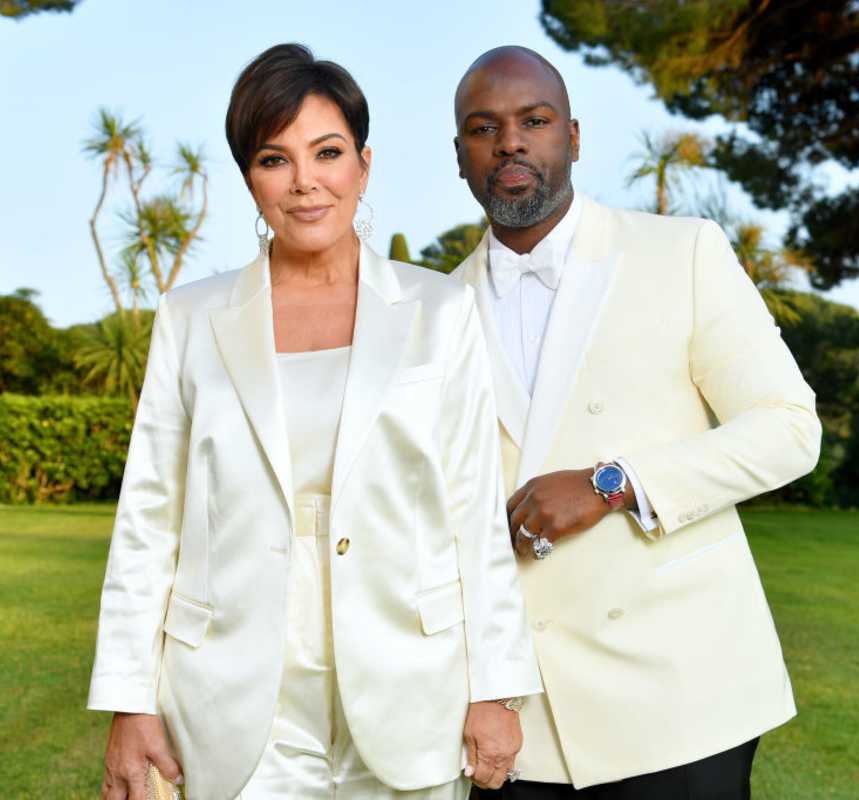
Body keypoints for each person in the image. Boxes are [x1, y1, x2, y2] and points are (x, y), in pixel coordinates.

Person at [87, 43, 542, 800]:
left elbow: (472, 509)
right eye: (275, 159)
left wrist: (495, 686)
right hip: (231, 698)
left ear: (362, 166)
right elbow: (148, 518)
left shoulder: (439, 310)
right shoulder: (191, 317)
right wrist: (130, 700)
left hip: (411, 686)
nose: (305, 182)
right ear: (249, 177)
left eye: (326, 153)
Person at [448, 47, 822, 799]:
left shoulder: (681, 252)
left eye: (535, 120)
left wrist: (613, 483)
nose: (511, 142)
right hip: (523, 718)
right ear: (459, 157)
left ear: (575, 137)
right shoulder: (432, 312)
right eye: (485, 128)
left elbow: (788, 428)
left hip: (682, 695)